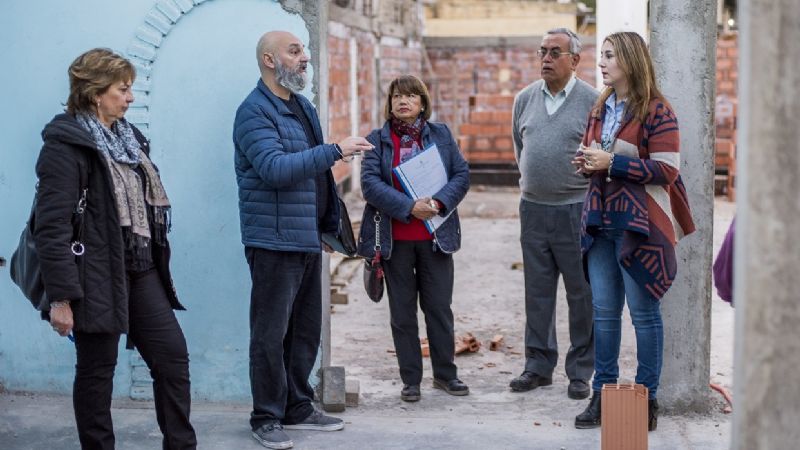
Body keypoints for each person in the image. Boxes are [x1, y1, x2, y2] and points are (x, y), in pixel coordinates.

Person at [35, 48, 196, 449]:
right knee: (96, 372)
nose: (130, 97)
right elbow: (51, 228)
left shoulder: (130, 140)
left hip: (141, 270)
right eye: (122, 89)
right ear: (95, 93)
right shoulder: (66, 146)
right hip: (95, 276)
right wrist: (61, 299)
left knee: (172, 358)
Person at [232, 31, 373, 449]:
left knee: (305, 329)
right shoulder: (253, 112)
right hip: (272, 241)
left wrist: (325, 228)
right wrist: (335, 149)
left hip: (305, 237)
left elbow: (318, 179)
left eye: (304, 51)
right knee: (270, 333)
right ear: (270, 60)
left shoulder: (303, 107)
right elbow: (275, 169)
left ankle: (297, 405)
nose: (304, 58)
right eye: (295, 52)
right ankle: (266, 416)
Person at [571, 32, 695, 431]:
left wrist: (612, 163)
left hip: (639, 225)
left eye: (608, 56)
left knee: (644, 315)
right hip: (601, 221)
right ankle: (601, 396)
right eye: (602, 56)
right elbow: (599, 156)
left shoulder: (658, 110)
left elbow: (667, 169)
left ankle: (647, 399)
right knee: (604, 315)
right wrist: (588, 162)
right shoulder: (599, 106)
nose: (601, 63)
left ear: (629, 60)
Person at [358, 74, 470, 403]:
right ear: (389, 103)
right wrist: (409, 207)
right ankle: (411, 380)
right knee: (402, 312)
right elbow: (370, 185)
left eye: (410, 96)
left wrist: (437, 204)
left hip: (436, 237)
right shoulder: (377, 140)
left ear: (422, 102)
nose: (402, 101)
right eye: (396, 97)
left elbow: (461, 174)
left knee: (438, 308)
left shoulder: (441, 135)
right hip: (396, 240)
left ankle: (446, 375)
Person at [509, 28, 598, 400]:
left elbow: (600, 153)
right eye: (542, 51)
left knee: (581, 294)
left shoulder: (593, 101)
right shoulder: (525, 99)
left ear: (575, 60)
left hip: (576, 210)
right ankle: (538, 365)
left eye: (554, 52)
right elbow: (520, 148)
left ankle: (580, 371)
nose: (545, 58)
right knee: (538, 293)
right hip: (533, 210)